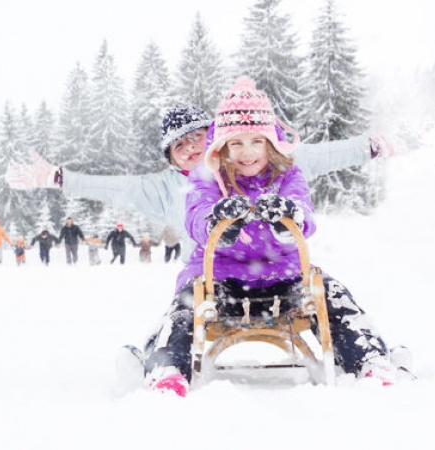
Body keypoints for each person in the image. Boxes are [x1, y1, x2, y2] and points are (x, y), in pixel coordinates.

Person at [142, 77, 399, 397]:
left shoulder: (288, 175)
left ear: (271, 143)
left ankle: (371, 358)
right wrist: (215, 223)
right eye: (235, 143)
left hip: (284, 279)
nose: (246, 153)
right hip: (220, 282)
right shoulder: (207, 177)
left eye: (256, 142)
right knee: (187, 302)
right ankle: (167, 369)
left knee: (328, 291)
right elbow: (195, 214)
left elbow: (305, 212)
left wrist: (290, 217)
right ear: (221, 147)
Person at [4, 108, 393, 266]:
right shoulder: (162, 188)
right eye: (179, 145)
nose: (190, 148)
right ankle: (165, 364)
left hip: (272, 269)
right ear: (170, 157)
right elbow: (114, 187)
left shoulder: (249, 161)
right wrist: (60, 178)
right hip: (206, 279)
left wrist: (367, 147)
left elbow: (312, 157)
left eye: (196, 138)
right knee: (182, 314)